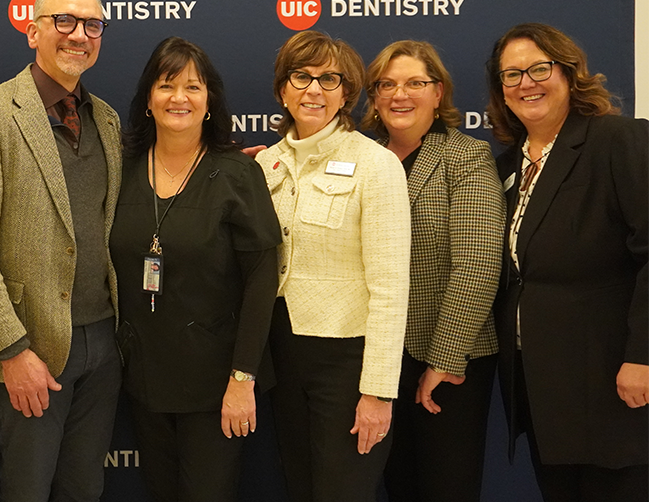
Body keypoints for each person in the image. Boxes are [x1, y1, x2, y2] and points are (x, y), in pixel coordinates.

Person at [0, 0, 122, 502]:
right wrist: (12, 349)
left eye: (92, 25)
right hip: (28, 346)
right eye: (63, 21)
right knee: (27, 490)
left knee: (84, 487)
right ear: (32, 31)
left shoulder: (106, 119)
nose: (79, 35)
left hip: (104, 342)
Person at [110, 36, 280, 502]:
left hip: (216, 386)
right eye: (166, 86)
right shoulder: (119, 167)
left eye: (193, 87)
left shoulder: (237, 173)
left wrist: (242, 379)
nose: (179, 98)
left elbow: (262, 279)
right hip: (143, 377)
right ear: (148, 99)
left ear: (210, 102)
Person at [487, 22, 649, 502]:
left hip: (611, 381)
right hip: (543, 387)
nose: (525, 84)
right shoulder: (508, 165)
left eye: (539, 68)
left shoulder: (617, 139)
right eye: (511, 75)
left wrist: (642, 356)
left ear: (569, 72)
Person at [254, 30, 410, 502]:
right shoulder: (263, 164)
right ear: (283, 89)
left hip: (346, 365)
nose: (314, 90)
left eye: (329, 79)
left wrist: (379, 392)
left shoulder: (376, 164)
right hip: (281, 358)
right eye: (301, 77)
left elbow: (389, 287)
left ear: (347, 93)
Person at [360, 40, 504, 502]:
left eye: (415, 83)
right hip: (380, 360)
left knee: (446, 488)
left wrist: (443, 359)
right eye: (387, 84)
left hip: (451, 361)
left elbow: (477, 264)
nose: (400, 95)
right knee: (398, 485)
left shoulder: (465, 157)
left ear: (438, 92)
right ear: (375, 97)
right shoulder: (362, 159)